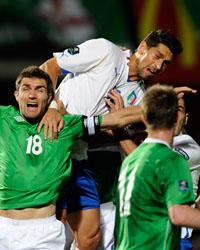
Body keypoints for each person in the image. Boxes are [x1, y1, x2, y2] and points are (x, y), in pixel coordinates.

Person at [39, 29, 196, 250]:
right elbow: (50, 67)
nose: (159, 66)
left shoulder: (141, 98)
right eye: (158, 56)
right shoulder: (105, 51)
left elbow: (106, 139)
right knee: (38, 223)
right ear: (142, 48)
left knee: (90, 238)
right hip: (48, 143)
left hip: (79, 156)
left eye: (166, 63)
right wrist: (52, 108)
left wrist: (96, 127)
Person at [0, 65, 142, 250]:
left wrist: (163, 103)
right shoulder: (4, 118)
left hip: (45, 233)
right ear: (16, 95)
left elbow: (115, 120)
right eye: (26, 89)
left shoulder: (66, 124)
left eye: (40, 89)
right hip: (5, 228)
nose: (32, 95)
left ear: (50, 97)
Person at [115, 84, 200, 250]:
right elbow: (178, 214)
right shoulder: (171, 159)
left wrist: (119, 122)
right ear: (176, 118)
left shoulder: (130, 160)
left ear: (144, 119)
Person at [173, 97, 200, 250]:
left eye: (179, 110)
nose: (173, 114)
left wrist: (119, 129)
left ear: (186, 118)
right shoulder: (143, 138)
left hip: (175, 237)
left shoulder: (191, 148)